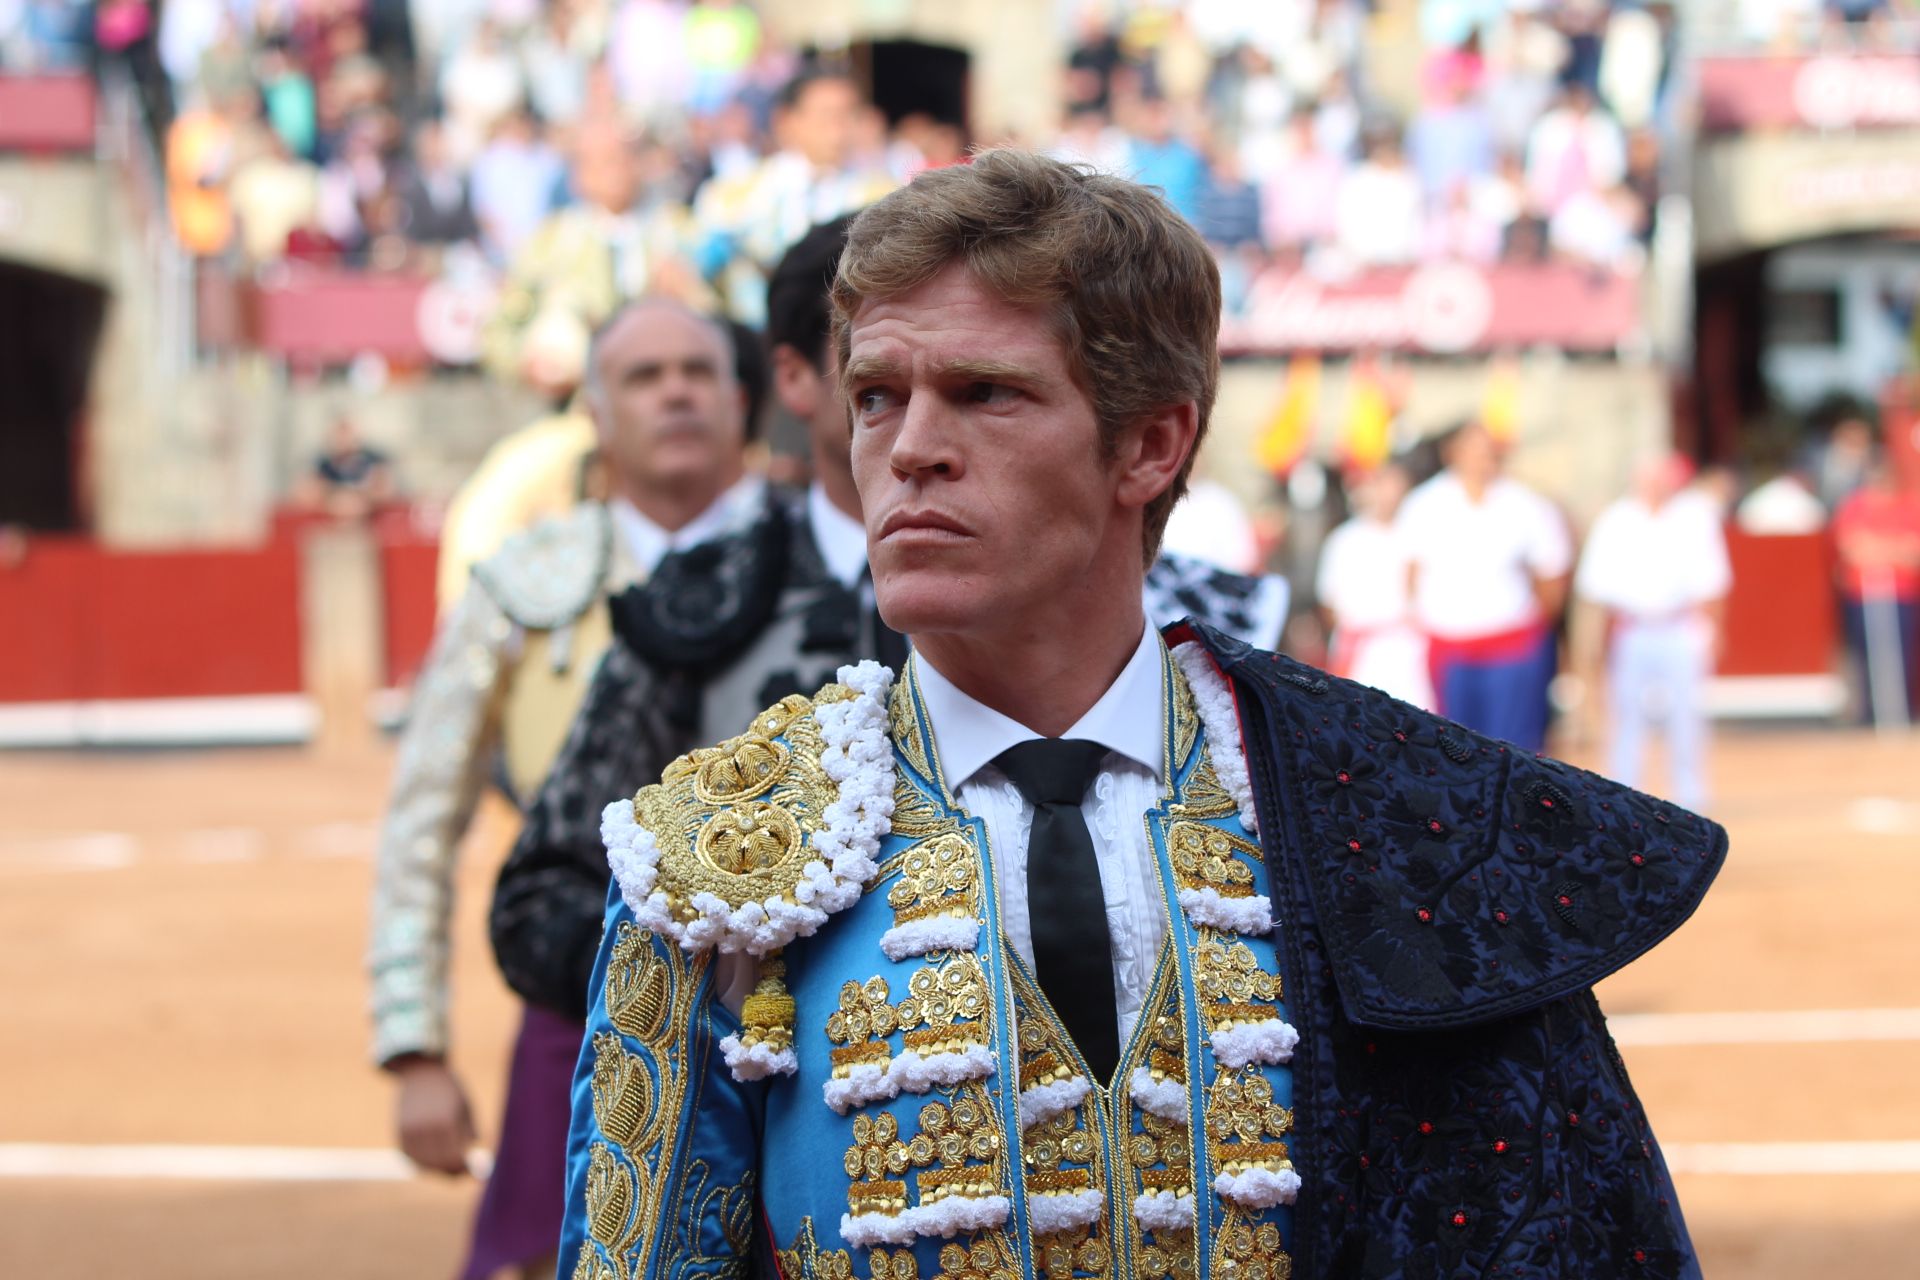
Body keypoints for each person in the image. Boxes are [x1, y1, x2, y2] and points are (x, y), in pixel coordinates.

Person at [556, 150, 1717, 1278]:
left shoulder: (1388, 814)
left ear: (1150, 444)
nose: (909, 450)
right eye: (876, 396)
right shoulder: (714, 858)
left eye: (984, 393)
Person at [367, 298, 761, 1280]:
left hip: (799, 1001)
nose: (674, 391)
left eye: (697, 372)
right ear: (594, 409)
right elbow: (424, 817)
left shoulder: (823, 569)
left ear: (743, 400)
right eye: (643, 375)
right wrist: (413, 1043)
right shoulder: (523, 582)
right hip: (584, 998)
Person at [1396, 420, 1572, 751]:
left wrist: (1531, 627)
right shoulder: (1424, 505)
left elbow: (1552, 575)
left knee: (1515, 749)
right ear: (1453, 454)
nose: (1483, 458)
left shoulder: (1526, 504)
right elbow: (1410, 574)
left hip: (1512, 649)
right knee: (1454, 748)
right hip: (1451, 650)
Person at [1576, 453, 1732, 810]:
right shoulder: (1615, 520)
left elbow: (1712, 581)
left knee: (1687, 717)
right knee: (1626, 717)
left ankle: (1692, 802)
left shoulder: (1695, 517)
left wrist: (1715, 631)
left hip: (1681, 628)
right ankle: (1623, 801)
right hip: (1632, 630)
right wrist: (1592, 647)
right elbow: (1595, 592)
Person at [1316, 459, 1433, 708]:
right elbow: (1328, 603)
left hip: (1406, 651)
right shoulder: (1344, 540)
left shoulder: (1418, 536)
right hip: (1360, 652)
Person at [1833, 457, 1920, 726]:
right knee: (1863, 656)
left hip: (1903, 593)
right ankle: (1868, 714)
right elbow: (1851, 547)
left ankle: (1903, 711)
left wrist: (1877, 548)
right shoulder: (1854, 506)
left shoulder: (1909, 506)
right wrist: (1894, 548)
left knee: (1904, 655)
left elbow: (1914, 551)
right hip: (1862, 594)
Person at [294, 416, 393, 518]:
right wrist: (333, 499)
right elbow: (305, 494)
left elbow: (385, 491)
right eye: (339, 434)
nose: (343, 440)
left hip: (369, 517)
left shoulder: (374, 460)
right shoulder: (321, 462)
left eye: (347, 434)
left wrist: (360, 499)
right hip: (328, 516)